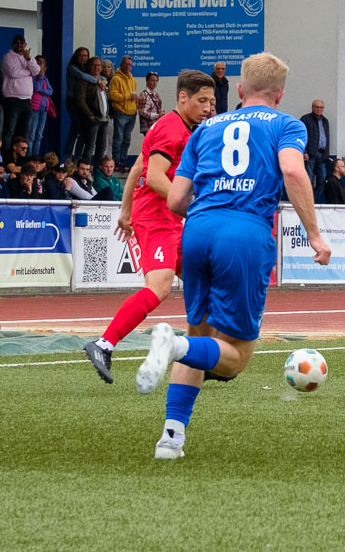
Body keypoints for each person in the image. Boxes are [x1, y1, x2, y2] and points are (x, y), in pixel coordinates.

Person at [135, 51, 330, 460]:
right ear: (279, 94)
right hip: (243, 234)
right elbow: (293, 172)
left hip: (197, 232)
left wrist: (212, 211)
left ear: (239, 90)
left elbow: (174, 199)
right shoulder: (285, 124)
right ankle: (172, 346)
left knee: (201, 335)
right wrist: (314, 235)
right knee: (236, 357)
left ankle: (171, 438)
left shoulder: (207, 127)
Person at [83, 70, 215, 384]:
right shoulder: (172, 129)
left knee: (205, 278)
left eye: (212, 101)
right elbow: (154, 178)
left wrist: (125, 210)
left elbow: (140, 167)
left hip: (165, 217)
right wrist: (193, 208)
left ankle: (204, 356)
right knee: (159, 287)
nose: (209, 107)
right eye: (202, 100)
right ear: (183, 97)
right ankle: (103, 344)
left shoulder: (177, 125)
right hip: (157, 217)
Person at [1, 35, 39, 150]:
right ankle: (7, 157)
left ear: (25, 44)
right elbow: (13, 73)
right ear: (13, 44)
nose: (19, 45)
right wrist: (28, 72)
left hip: (27, 100)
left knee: (25, 132)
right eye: (17, 43)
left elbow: (36, 71)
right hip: (12, 99)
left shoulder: (28, 58)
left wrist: (28, 59)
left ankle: (22, 157)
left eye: (21, 43)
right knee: (10, 130)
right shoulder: (8, 57)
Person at [69, 57, 108, 165]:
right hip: (93, 119)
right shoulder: (84, 81)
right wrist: (90, 115)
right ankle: (86, 170)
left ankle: (97, 171)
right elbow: (80, 100)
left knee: (102, 146)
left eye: (99, 65)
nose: (97, 67)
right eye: (94, 65)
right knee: (90, 145)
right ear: (89, 66)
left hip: (104, 118)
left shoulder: (104, 81)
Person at [63, 46, 97, 156]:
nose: (84, 58)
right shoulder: (72, 67)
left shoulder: (85, 68)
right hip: (73, 102)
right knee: (81, 131)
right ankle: (73, 157)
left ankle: (71, 157)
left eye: (86, 55)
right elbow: (82, 76)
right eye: (81, 55)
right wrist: (98, 81)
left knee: (74, 130)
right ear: (76, 56)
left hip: (83, 104)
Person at [109, 55, 137, 170]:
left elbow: (133, 96)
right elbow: (113, 95)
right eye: (125, 64)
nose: (127, 66)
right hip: (121, 112)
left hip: (132, 113)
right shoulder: (116, 79)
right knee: (118, 139)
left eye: (130, 64)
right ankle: (116, 162)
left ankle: (123, 162)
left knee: (127, 140)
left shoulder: (132, 79)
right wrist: (128, 96)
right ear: (121, 65)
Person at [300, 99, 330, 203]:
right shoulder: (305, 119)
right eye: (317, 107)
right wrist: (304, 151)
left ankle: (312, 201)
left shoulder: (325, 121)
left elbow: (327, 137)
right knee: (309, 180)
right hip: (310, 154)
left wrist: (326, 153)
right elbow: (301, 136)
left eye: (321, 107)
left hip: (322, 155)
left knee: (322, 180)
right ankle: (307, 202)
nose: (319, 109)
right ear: (312, 107)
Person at [28, 56, 53, 157]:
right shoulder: (33, 76)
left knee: (39, 135)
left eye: (42, 63)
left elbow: (50, 91)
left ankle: (36, 156)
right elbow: (36, 87)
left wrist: (41, 91)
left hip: (44, 109)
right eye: (38, 62)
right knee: (31, 135)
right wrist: (41, 77)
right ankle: (29, 157)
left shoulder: (44, 77)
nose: (40, 64)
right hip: (35, 109)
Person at [137, 72, 163, 137]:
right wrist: (157, 115)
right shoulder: (144, 95)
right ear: (147, 81)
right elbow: (142, 112)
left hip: (155, 125)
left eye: (156, 81)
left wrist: (161, 112)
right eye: (152, 80)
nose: (155, 83)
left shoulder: (156, 94)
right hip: (148, 127)